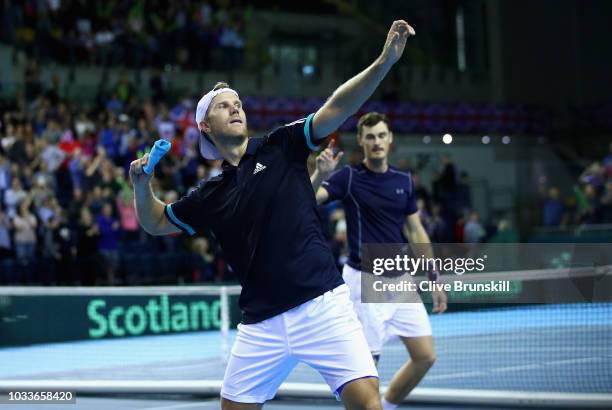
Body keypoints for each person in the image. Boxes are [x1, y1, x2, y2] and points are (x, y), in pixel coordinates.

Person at [130, 20, 416, 410]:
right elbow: (155, 222)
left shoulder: (282, 145)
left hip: (322, 306)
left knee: (368, 405)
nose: (235, 109)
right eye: (223, 106)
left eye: (238, 104)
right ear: (204, 125)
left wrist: (384, 62)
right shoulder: (210, 194)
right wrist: (141, 186)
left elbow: (337, 108)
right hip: (261, 324)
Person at [312, 112, 447, 410]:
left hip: (402, 283)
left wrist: (434, 278)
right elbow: (308, 198)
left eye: (381, 135)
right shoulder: (348, 177)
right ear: (361, 141)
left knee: (425, 356)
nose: (376, 142)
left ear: (390, 139)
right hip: (364, 284)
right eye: (370, 137)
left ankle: (386, 405)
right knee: (365, 373)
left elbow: (416, 231)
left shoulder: (403, 181)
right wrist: (321, 173)